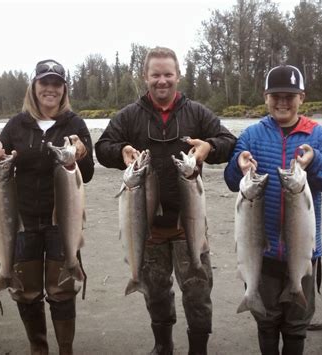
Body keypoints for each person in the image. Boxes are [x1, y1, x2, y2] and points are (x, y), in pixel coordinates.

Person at [95, 46, 236, 355]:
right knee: (156, 292)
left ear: (178, 76)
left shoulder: (197, 112)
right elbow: (102, 147)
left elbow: (229, 143)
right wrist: (120, 152)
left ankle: (198, 348)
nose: (162, 81)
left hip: (189, 223)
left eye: (168, 74)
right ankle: (163, 345)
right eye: (155, 74)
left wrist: (209, 147)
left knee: (198, 292)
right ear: (145, 77)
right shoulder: (129, 115)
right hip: (147, 226)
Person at [224, 64, 322, 354]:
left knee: (295, 325)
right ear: (265, 97)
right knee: (266, 322)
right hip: (261, 254)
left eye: (289, 96)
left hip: (303, 253)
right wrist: (237, 165)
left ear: (301, 97)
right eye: (276, 95)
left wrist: (315, 162)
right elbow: (231, 180)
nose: (282, 101)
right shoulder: (252, 135)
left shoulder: (317, 135)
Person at [0, 59, 94, 355]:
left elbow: (89, 172)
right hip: (22, 222)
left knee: (62, 290)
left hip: (63, 223)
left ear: (64, 89)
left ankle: (65, 349)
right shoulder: (17, 124)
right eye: (45, 82)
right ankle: (38, 348)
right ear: (34, 86)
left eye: (57, 83)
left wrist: (80, 154)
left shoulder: (75, 124)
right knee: (27, 292)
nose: (50, 88)